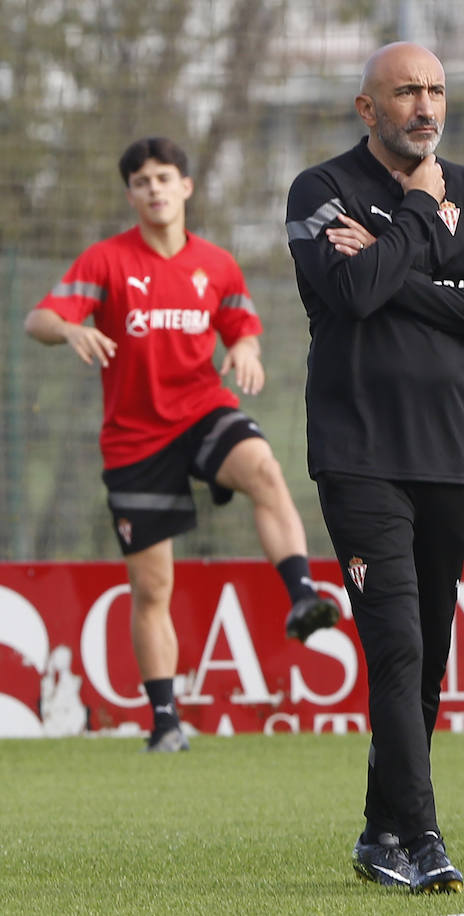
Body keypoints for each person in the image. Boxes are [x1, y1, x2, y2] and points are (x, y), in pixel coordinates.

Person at [284, 42, 464, 893]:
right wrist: (422, 222)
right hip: (359, 456)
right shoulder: (321, 192)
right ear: (367, 107)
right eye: (406, 92)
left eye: (435, 90)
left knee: (426, 660)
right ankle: (422, 838)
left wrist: (392, 257)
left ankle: (379, 830)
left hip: (452, 455)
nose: (425, 106)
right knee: (395, 644)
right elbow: (348, 296)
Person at [25, 137, 341, 753]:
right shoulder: (105, 262)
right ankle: (165, 721)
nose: (155, 189)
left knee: (265, 469)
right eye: (142, 181)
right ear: (131, 194)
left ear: (186, 187)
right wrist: (66, 329)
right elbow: (38, 319)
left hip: (203, 412)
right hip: (135, 440)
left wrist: (244, 350)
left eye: (164, 178)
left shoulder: (217, 264)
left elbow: (243, 327)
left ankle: (303, 596)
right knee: (152, 589)